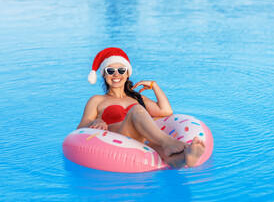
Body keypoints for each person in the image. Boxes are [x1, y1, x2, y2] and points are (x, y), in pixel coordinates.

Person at [77, 47, 205, 169]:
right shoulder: (97, 100)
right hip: (118, 140)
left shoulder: (137, 98)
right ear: (104, 76)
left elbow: (166, 111)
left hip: (141, 141)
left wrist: (154, 85)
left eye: (121, 70)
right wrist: (95, 121)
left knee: (157, 147)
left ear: (127, 74)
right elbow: (79, 131)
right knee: (136, 110)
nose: (116, 75)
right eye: (110, 71)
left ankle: (186, 158)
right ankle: (169, 143)